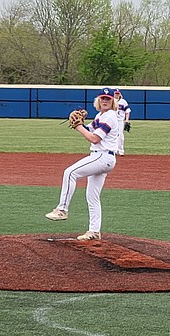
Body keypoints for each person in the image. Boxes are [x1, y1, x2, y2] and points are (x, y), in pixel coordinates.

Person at [44, 87, 121, 241]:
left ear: (113, 101)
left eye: (108, 99)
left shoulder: (110, 116)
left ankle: (62, 209)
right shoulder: (102, 115)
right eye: (103, 98)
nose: (105, 101)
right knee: (92, 196)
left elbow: (94, 139)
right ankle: (94, 232)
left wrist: (78, 126)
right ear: (98, 100)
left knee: (70, 173)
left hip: (102, 156)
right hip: (104, 158)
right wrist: (81, 125)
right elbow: (89, 130)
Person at [113, 88, 131, 156]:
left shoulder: (123, 101)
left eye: (118, 93)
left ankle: (121, 151)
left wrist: (127, 120)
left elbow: (127, 111)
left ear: (119, 94)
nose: (116, 95)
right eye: (115, 93)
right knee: (112, 135)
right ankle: (114, 150)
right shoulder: (111, 101)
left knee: (120, 135)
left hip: (120, 120)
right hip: (112, 120)